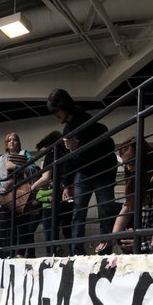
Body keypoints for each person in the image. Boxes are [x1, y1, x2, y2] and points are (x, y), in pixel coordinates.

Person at [47, 89, 117, 255]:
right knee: (78, 213)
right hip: (84, 173)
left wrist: (78, 147)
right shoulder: (67, 130)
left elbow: (104, 149)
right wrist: (66, 184)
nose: (56, 115)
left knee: (105, 211)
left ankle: (104, 252)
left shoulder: (89, 122)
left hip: (102, 172)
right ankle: (77, 252)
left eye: (57, 111)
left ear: (64, 106)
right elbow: (70, 159)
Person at [97, 137, 153, 254]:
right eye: (125, 163)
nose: (129, 167)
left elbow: (152, 214)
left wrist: (140, 242)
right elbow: (127, 207)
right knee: (108, 209)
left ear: (143, 157)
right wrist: (113, 238)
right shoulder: (133, 175)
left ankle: (136, 250)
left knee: (131, 236)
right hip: (142, 219)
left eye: (131, 162)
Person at [0, 132, 38, 257]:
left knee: (23, 226)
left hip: (21, 193)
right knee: (3, 224)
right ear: (6, 144)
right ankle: (9, 253)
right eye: (9, 140)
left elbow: (33, 169)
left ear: (18, 143)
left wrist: (15, 166)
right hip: (5, 195)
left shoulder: (24, 153)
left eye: (14, 140)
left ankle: (20, 254)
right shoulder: (0, 159)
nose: (12, 142)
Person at [31, 131, 73, 256]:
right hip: (69, 194)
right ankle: (74, 254)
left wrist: (33, 187)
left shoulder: (51, 154)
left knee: (50, 229)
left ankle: (52, 255)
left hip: (56, 195)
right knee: (68, 229)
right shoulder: (68, 153)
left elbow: (46, 177)